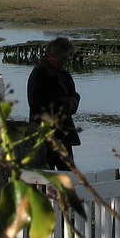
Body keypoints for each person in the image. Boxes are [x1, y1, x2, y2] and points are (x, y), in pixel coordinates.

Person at [27, 37, 81, 171]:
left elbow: (73, 95)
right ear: (51, 55)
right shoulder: (38, 74)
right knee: (46, 174)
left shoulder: (64, 74)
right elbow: (36, 104)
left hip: (63, 133)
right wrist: (65, 104)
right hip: (44, 133)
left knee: (68, 174)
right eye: (63, 59)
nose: (65, 62)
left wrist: (71, 103)